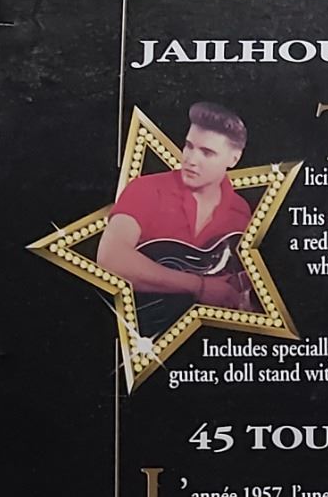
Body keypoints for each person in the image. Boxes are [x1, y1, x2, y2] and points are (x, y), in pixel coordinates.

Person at [98, 102, 255, 334]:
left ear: (233, 159)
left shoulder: (241, 212)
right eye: (189, 146)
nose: (191, 159)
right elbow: (111, 258)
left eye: (207, 153)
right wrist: (199, 286)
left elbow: (235, 288)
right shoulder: (146, 189)